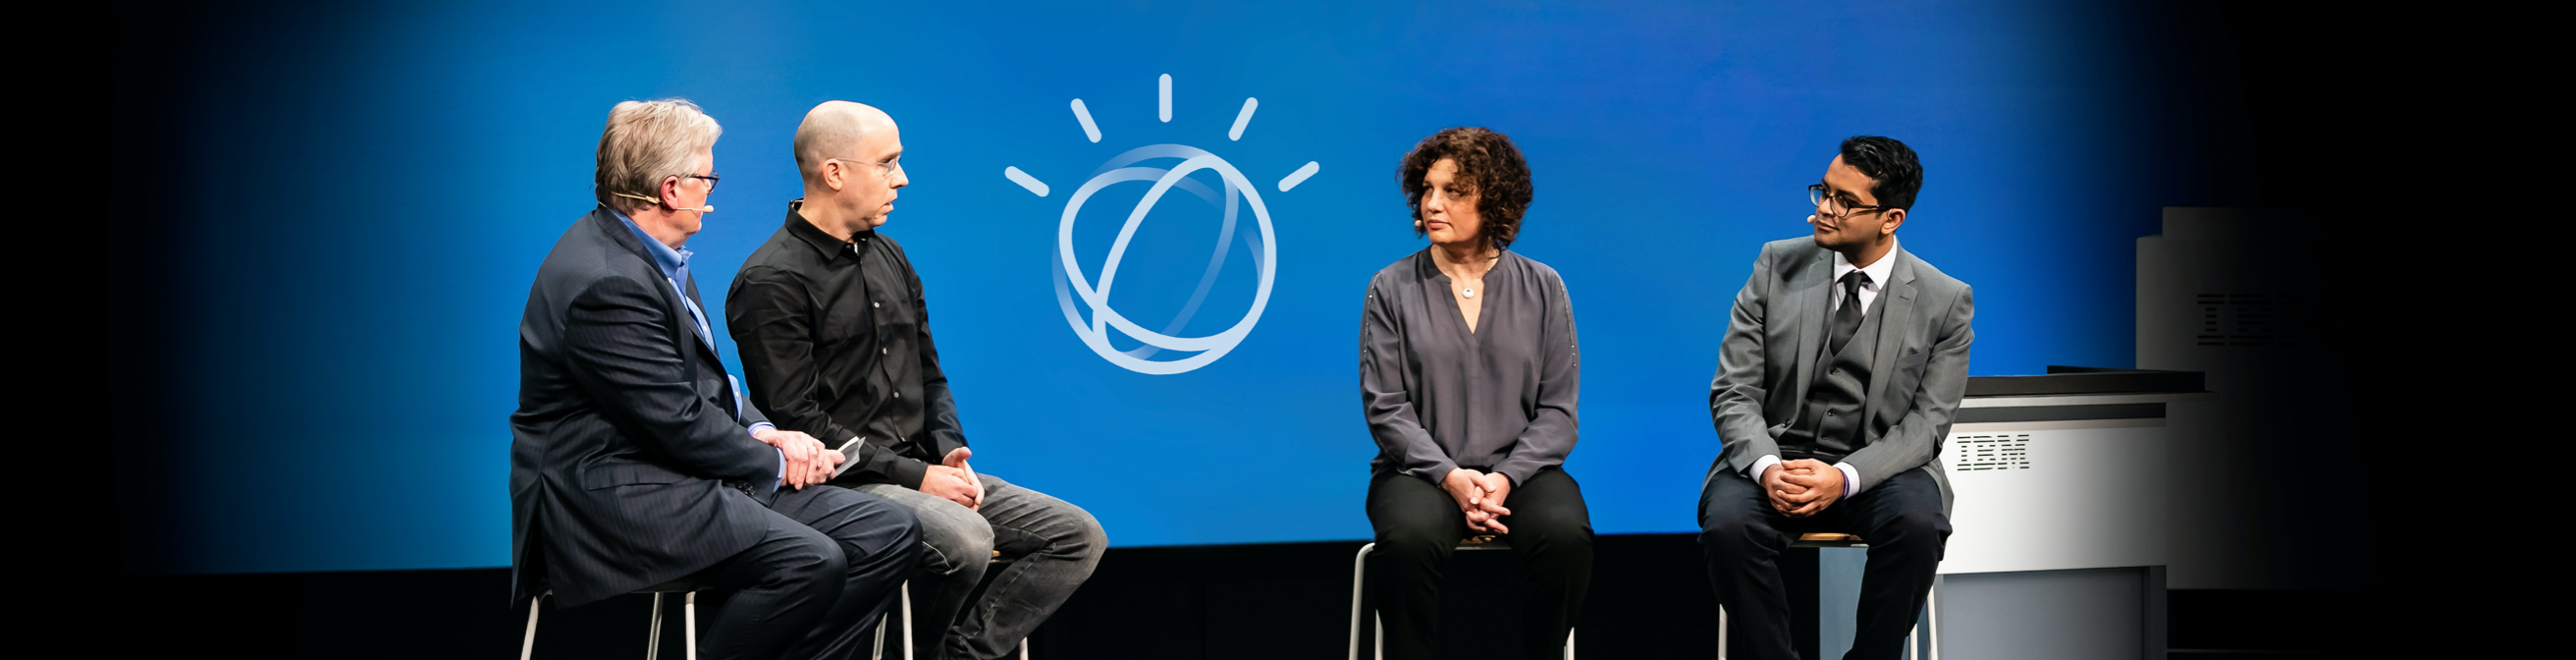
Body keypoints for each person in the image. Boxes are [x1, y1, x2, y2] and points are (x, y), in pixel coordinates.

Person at [510, 99, 922, 660]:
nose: (713, 191)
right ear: (671, 189)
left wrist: (766, 433)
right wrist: (779, 463)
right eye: (708, 176)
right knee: (810, 561)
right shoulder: (608, 282)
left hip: (677, 469)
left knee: (887, 533)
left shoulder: (653, 254)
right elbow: (674, 422)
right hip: (616, 493)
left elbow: (708, 384)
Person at [726, 101, 1106, 660]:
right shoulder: (771, 279)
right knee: (966, 540)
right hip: (846, 484)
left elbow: (929, 373)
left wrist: (950, 453)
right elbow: (796, 420)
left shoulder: (891, 256)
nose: (900, 178)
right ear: (835, 174)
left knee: (1077, 536)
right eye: (887, 163)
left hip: (925, 468)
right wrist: (917, 476)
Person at [1699, 136, 1971, 660]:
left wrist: (1845, 477)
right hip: (1778, 457)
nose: (1822, 210)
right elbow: (1734, 389)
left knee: (1918, 526)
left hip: (1877, 468)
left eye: (1843, 201)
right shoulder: (1776, 265)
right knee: (1728, 527)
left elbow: (1927, 426)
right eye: (1822, 192)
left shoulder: (1944, 300)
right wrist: (1765, 467)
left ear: (1891, 218)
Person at [1358, 127, 1592, 660]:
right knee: (1410, 540)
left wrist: (1505, 478)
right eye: (1427, 189)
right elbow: (1387, 407)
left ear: (1496, 201)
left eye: (1454, 191)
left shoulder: (1543, 286)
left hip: (1523, 473)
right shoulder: (1391, 288)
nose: (1433, 204)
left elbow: (1559, 411)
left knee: (1565, 535)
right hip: (1417, 473)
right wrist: (1451, 477)